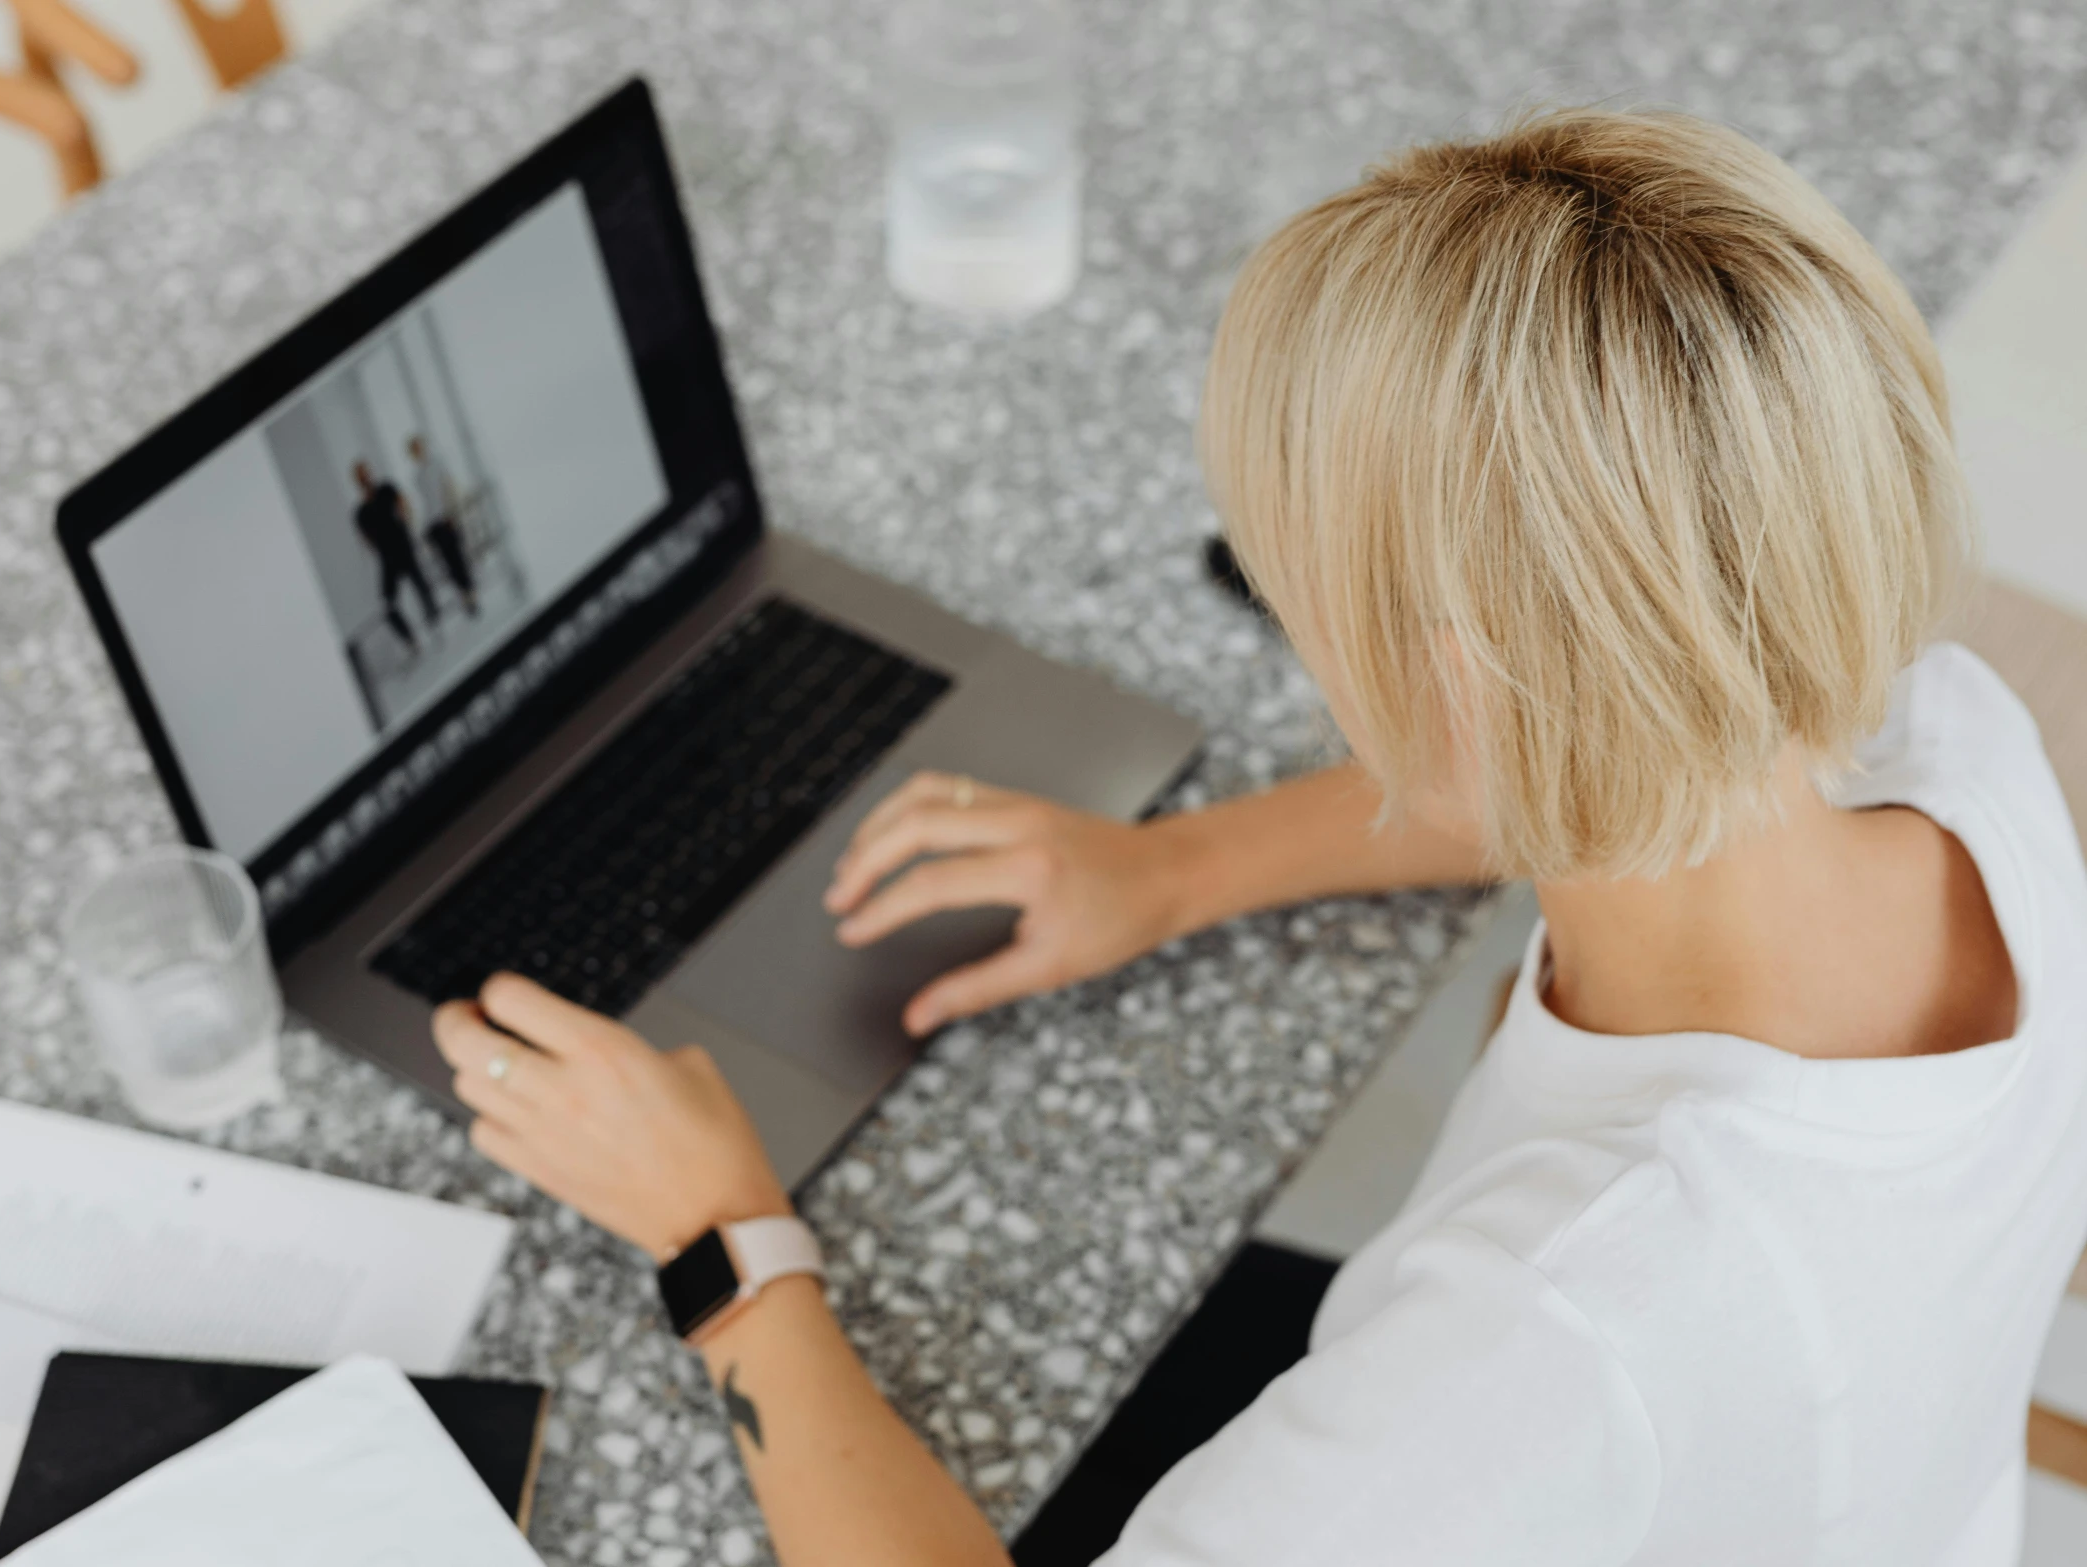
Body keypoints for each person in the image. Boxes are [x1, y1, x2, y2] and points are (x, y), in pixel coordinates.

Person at [430, 108, 2087, 1565]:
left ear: (1454, 679)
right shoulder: (1949, 745)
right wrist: (1172, 868)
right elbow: (1624, 752)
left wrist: (725, 1239)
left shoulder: (1556, 1328)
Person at [350, 460, 437, 651]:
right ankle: (411, 640)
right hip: (387, 558)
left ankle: (434, 620)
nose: (364, 478)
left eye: (365, 473)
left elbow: (403, 505)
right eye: (359, 476)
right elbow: (366, 540)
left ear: (370, 472)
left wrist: (406, 528)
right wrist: (381, 547)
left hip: (403, 547)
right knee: (387, 604)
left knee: (421, 585)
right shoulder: (361, 512)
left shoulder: (386, 489)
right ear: (356, 480)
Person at [408, 434, 478, 617]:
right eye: (413, 450)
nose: (417, 452)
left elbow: (447, 488)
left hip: (446, 517)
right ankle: (464, 594)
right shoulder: (417, 476)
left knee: (457, 557)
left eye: (418, 447)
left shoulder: (437, 464)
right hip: (433, 523)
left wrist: (452, 513)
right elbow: (424, 502)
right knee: (448, 562)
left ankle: (470, 593)